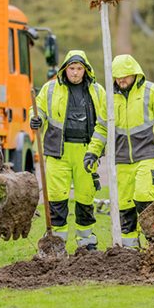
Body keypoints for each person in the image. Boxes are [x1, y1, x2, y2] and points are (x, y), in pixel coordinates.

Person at [85, 54, 154, 249]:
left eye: (125, 76)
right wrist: (93, 152)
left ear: (135, 73)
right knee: (124, 205)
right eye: (117, 77)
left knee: (144, 196)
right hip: (120, 158)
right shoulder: (109, 99)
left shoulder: (152, 92)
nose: (121, 80)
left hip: (148, 154)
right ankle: (130, 251)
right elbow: (102, 128)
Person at [30, 50, 108, 252]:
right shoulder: (49, 89)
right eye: (72, 68)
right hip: (58, 152)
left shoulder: (98, 91)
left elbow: (106, 120)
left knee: (85, 197)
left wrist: (98, 149)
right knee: (57, 197)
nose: (75, 73)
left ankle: (86, 241)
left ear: (85, 70)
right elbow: (38, 108)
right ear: (65, 69)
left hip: (86, 151)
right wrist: (36, 119)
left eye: (79, 69)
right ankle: (56, 242)